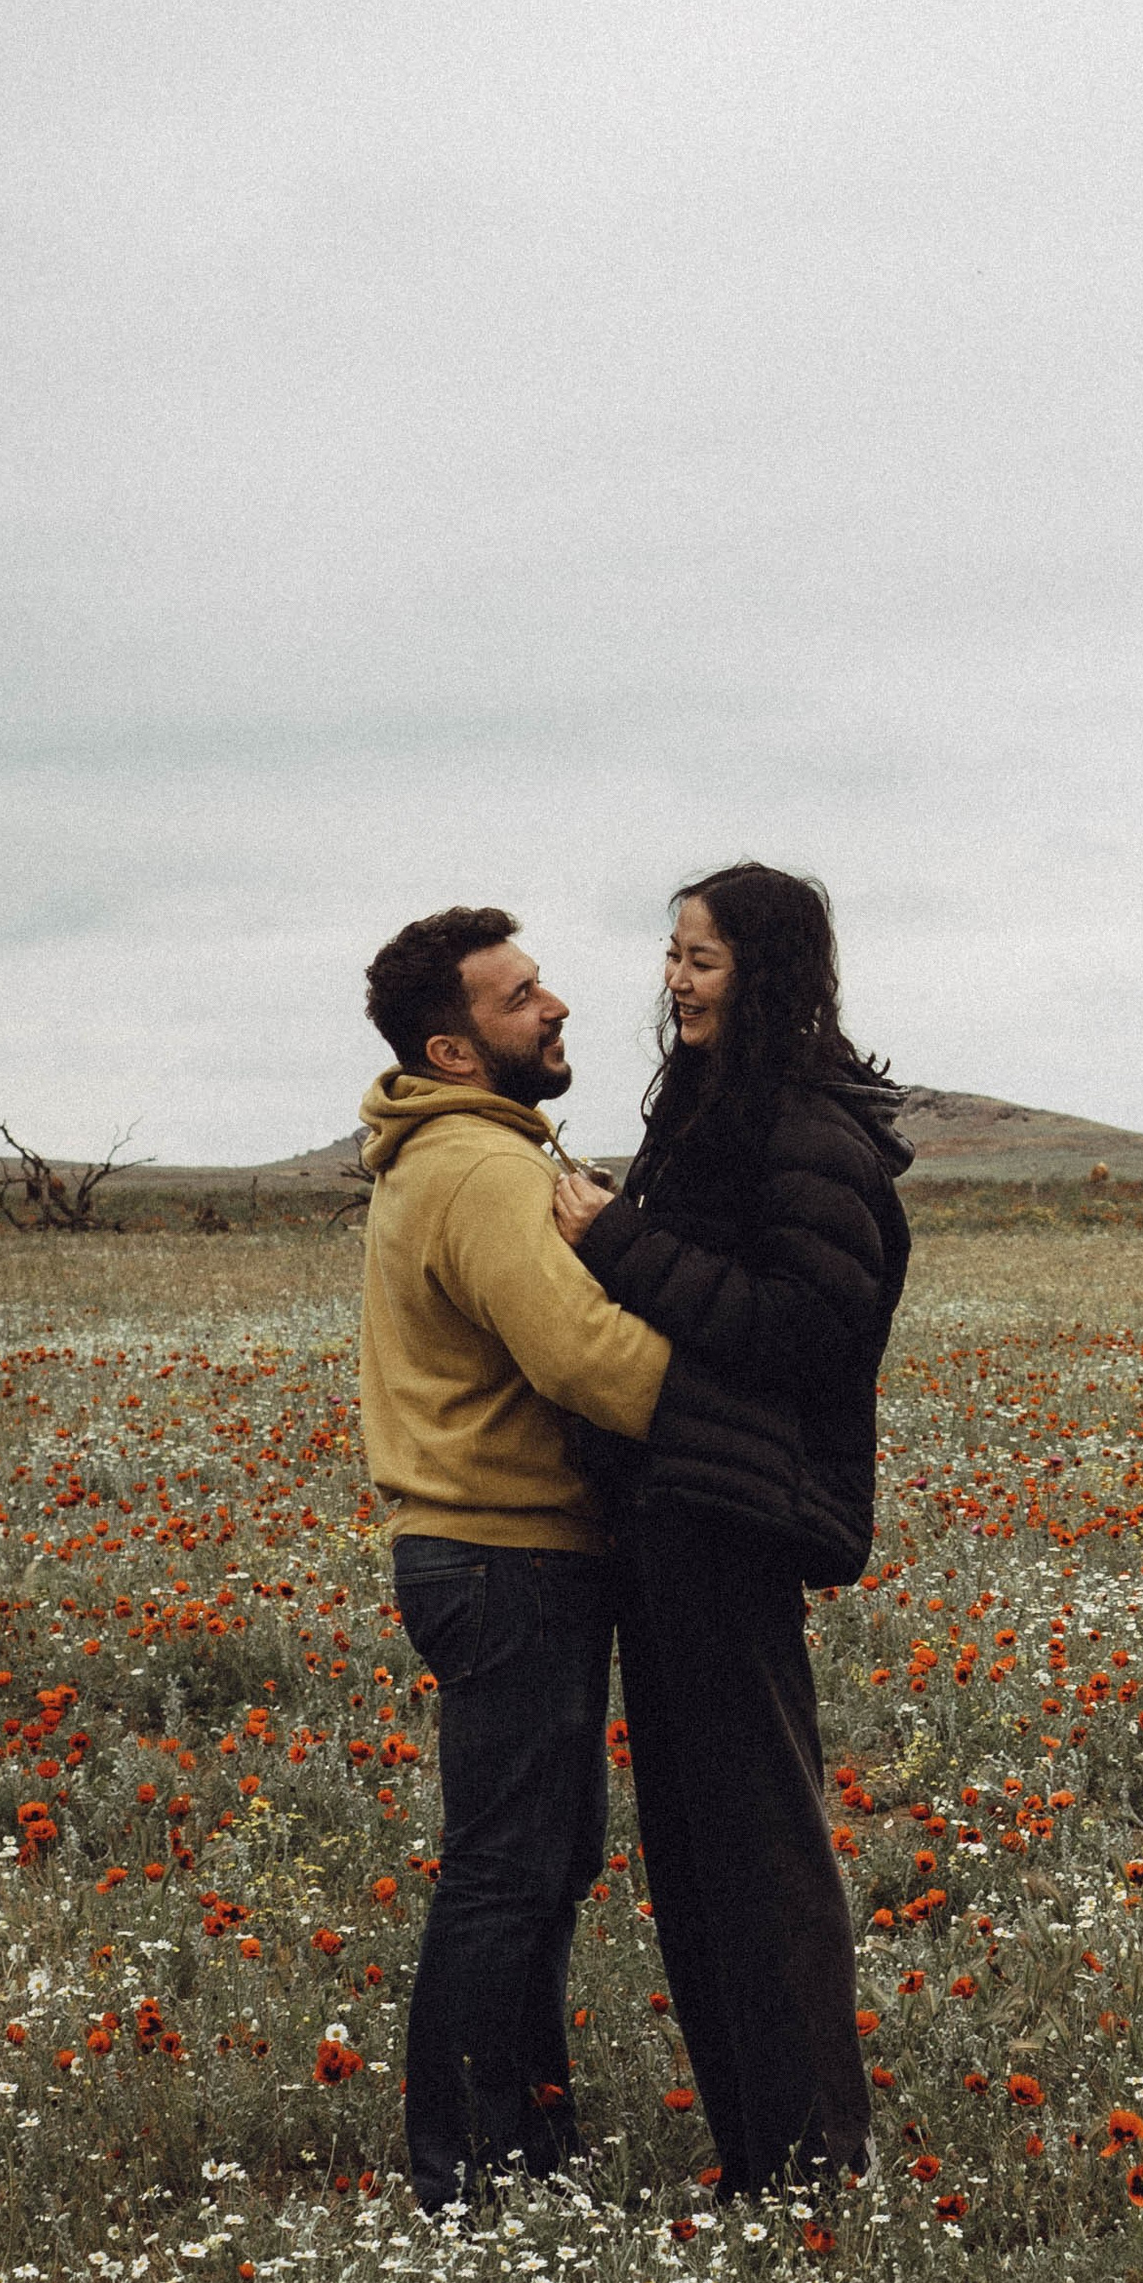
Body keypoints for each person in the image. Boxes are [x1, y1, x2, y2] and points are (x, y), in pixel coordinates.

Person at [551, 858, 912, 2194]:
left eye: (699, 958)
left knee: (756, 1846)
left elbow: (809, 1332)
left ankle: (816, 2163)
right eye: (671, 954)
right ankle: (766, 2155)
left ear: (763, 967)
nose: (674, 978)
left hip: (734, 1519)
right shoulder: (718, 1106)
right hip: (679, 1510)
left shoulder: (806, 1125)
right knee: (699, 1858)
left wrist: (616, 1242)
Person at [358, 905, 675, 2214]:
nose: (554, 1007)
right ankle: (467, 2177)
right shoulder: (481, 1171)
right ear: (456, 1045)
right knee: (507, 1869)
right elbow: (581, 1356)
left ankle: (527, 2147)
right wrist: (749, 1402)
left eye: (542, 985)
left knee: (540, 1863)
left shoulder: (452, 1155)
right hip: (505, 1558)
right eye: (519, 998)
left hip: (492, 1557)